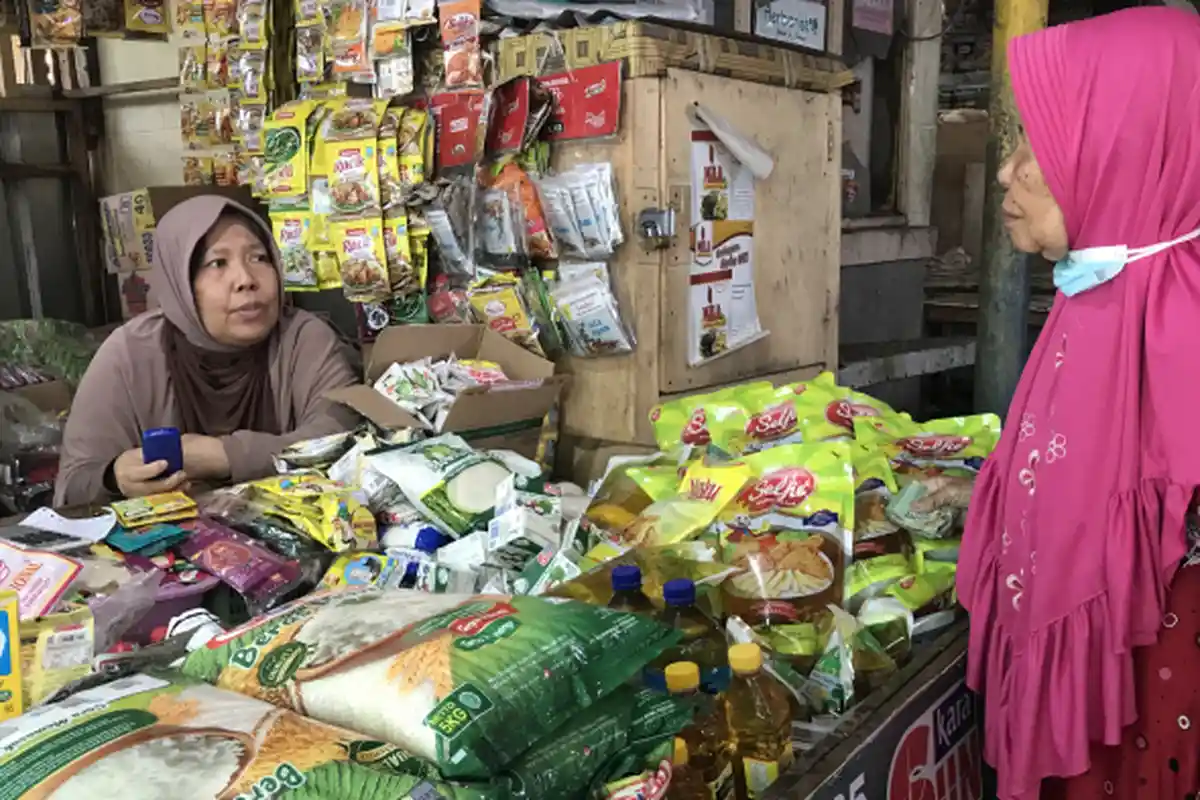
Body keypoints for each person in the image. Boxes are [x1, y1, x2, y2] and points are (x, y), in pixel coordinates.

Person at [912, 8, 1200, 799]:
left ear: (1122, 148)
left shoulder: (1181, 336)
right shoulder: (1097, 297)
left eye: (1034, 142)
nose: (1007, 172)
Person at [55, 195, 359, 507]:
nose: (245, 280)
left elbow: (343, 438)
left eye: (259, 258)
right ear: (180, 281)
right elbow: (74, 485)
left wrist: (225, 457)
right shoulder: (130, 355)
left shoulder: (303, 338)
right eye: (218, 263)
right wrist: (115, 478)